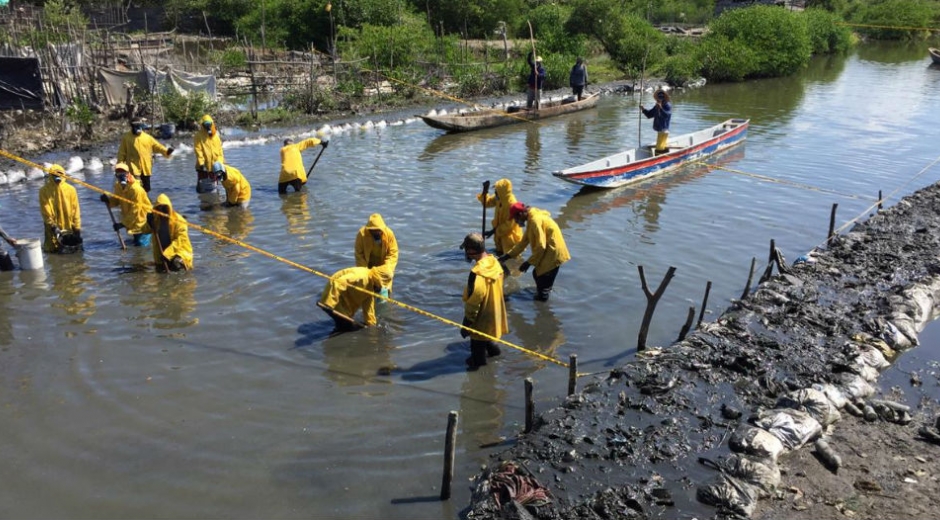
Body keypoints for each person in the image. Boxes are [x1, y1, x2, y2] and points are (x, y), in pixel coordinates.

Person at [498, 202, 571, 302]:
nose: (516, 221)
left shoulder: (534, 221)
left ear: (520, 214)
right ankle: (542, 299)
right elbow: (522, 243)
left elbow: (541, 246)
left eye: (515, 219)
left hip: (553, 253)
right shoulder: (532, 218)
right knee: (538, 276)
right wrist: (506, 256)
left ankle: (542, 307)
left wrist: (528, 263)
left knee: (541, 280)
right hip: (550, 251)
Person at [460, 232, 508, 370]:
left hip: (482, 316)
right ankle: (495, 354)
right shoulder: (495, 262)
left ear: (470, 251)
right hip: (495, 311)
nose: (466, 253)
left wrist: (467, 323)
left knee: (477, 347)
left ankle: (481, 375)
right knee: (487, 337)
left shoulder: (477, 273)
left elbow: (475, 301)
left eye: (466, 250)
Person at [318, 266, 390, 331]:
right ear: (378, 280)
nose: (379, 289)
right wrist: (329, 303)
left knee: (344, 324)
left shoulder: (370, 286)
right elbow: (338, 282)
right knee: (346, 325)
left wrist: (371, 324)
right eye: (379, 287)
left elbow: (368, 308)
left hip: (345, 299)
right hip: (333, 296)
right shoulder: (361, 276)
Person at [101, 162, 153, 247]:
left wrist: (122, 224)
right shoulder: (118, 186)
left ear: (128, 174)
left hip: (143, 223)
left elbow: (135, 211)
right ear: (116, 175)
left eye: (123, 173)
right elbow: (117, 200)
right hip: (132, 224)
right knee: (137, 246)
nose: (121, 175)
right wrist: (108, 201)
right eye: (118, 173)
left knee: (142, 248)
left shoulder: (136, 189)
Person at [117, 118, 174, 193]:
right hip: (133, 169)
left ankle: (145, 203)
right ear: (132, 127)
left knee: (146, 190)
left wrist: (167, 152)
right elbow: (121, 153)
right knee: (136, 189)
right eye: (136, 126)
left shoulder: (147, 138)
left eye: (139, 126)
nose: (138, 128)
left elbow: (157, 146)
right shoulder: (126, 138)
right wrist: (120, 168)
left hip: (146, 169)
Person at [38, 163, 82, 253]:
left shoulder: (71, 190)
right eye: (54, 176)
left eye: (59, 175)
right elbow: (45, 211)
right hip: (52, 226)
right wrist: (53, 226)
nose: (57, 178)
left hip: (69, 225)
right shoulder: (44, 191)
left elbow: (75, 210)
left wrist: (77, 228)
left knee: (74, 250)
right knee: (52, 249)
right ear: (50, 175)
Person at [354, 213, 398, 297]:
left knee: (387, 278)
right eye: (373, 231)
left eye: (378, 231)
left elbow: (393, 253)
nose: (376, 233)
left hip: (382, 266)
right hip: (367, 266)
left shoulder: (389, 234)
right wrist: (366, 272)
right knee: (365, 286)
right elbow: (359, 255)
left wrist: (386, 268)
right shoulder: (361, 234)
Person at [477, 178, 524, 256]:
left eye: (497, 190)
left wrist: (493, 231)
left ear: (502, 191)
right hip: (499, 233)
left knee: (510, 258)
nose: (495, 192)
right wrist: (485, 192)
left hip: (510, 237)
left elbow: (508, 225)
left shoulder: (512, 204)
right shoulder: (499, 198)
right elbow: (487, 203)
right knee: (500, 255)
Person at [148, 193, 193, 273]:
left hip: (179, 252)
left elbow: (180, 241)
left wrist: (167, 254)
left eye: (164, 208)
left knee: (176, 264)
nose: (161, 211)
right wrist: (148, 223)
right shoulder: (155, 220)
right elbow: (144, 230)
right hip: (162, 255)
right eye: (159, 209)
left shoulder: (179, 221)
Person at [194, 114, 225, 193]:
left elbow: (220, 151)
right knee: (202, 187)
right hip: (203, 166)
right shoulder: (198, 136)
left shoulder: (216, 136)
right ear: (202, 125)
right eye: (205, 124)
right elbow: (198, 150)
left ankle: (214, 201)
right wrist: (201, 163)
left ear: (212, 124)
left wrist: (220, 163)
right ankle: (203, 200)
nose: (207, 126)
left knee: (214, 186)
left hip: (214, 165)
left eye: (209, 124)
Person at [641, 88, 673, 155]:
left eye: (662, 96)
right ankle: (663, 153)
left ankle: (660, 159)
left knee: (659, 148)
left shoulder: (667, 105)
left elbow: (666, 115)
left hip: (664, 129)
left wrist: (661, 108)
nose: (660, 98)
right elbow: (649, 115)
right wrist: (643, 109)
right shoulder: (656, 106)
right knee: (660, 146)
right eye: (659, 96)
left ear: (664, 97)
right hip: (659, 129)